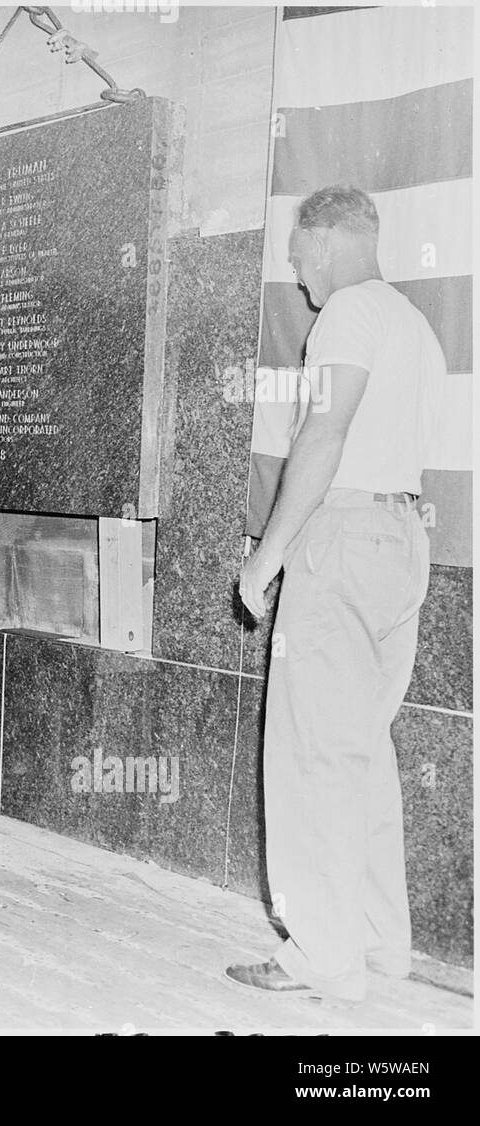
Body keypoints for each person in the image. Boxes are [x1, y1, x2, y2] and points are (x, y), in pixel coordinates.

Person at [232, 185, 444, 1002]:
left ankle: (322, 955)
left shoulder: (348, 313)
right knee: (363, 751)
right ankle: (381, 944)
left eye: (296, 253)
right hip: (402, 543)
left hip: (346, 539)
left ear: (322, 242)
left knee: (314, 751)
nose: (295, 272)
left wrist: (266, 560)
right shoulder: (414, 326)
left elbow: (325, 433)